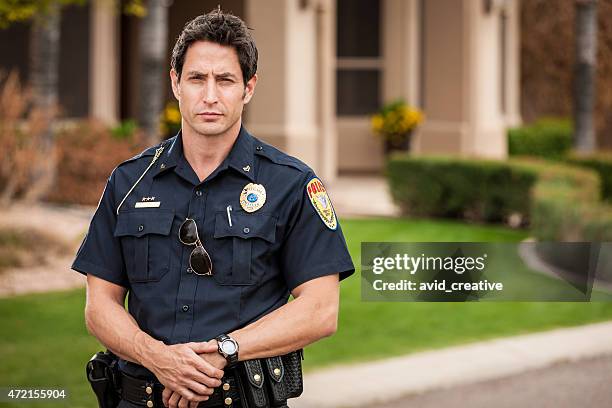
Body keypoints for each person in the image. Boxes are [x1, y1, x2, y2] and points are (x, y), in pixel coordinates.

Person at [72, 8, 354, 408]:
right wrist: (158, 357)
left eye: (225, 80)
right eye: (196, 78)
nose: (209, 95)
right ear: (175, 83)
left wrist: (224, 350)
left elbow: (321, 310)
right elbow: (99, 306)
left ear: (248, 88)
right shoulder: (129, 181)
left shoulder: (290, 183)